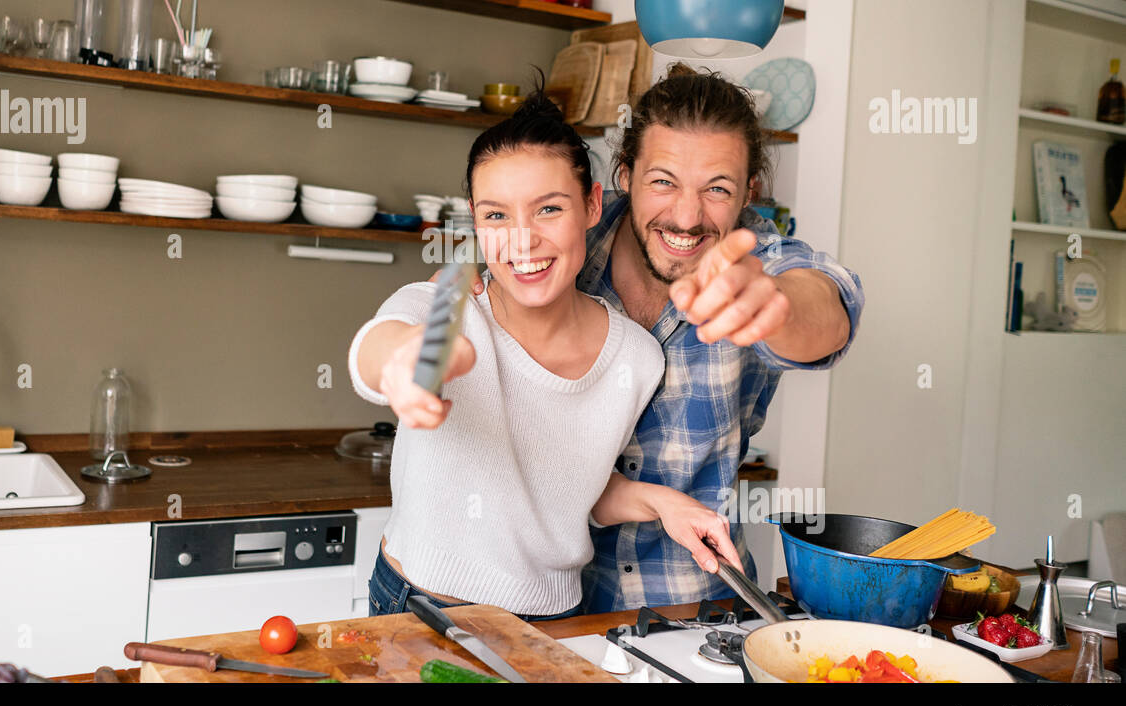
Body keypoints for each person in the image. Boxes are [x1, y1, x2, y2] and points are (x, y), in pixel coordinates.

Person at [472, 64, 865, 612]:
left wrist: (775, 309)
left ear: (749, 193)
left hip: (691, 605)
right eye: (663, 181)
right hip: (543, 602)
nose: (685, 217)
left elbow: (831, 305)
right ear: (624, 175)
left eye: (717, 189)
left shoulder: (762, 266)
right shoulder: (565, 241)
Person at [347, 90, 744, 621]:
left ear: (594, 207)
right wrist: (400, 365)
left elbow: (572, 490)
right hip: (420, 609)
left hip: (557, 620)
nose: (522, 241)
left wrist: (662, 503)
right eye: (496, 215)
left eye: (549, 209)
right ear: (475, 221)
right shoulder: (448, 311)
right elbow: (379, 346)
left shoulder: (637, 356)